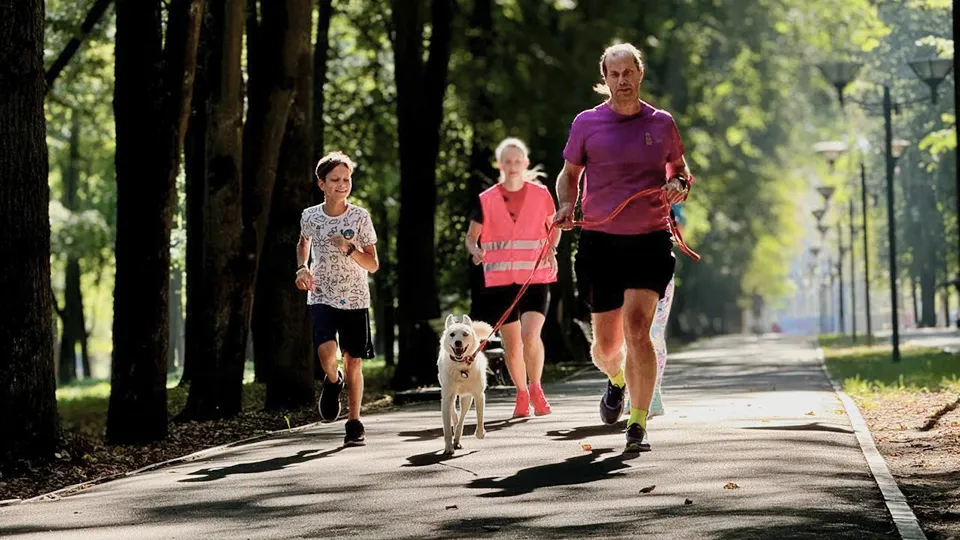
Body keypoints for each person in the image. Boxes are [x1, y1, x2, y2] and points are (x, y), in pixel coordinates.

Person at [554, 43, 694, 452]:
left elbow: (681, 171)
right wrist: (565, 204)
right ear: (605, 78)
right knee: (606, 346)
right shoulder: (587, 123)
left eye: (628, 72)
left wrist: (679, 186)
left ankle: (638, 421)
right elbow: (569, 174)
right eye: (614, 74)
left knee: (638, 329)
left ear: (639, 73)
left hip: (649, 239)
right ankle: (615, 379)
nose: (622, 81)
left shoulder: (662, 123)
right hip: (600, 242)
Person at [465, 137, 561, 418]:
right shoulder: (486, 199)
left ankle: (536, 388)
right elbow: (471, 237)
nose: (513, 166)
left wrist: (551, 248)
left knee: (531, 336)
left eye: (517, 161)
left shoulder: (541, 194)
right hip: (500, 280)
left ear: (525, 164)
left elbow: (555, 226)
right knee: (512, 343)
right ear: (500, 165)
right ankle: (521, 394)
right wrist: (476, 251)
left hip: (536, 275)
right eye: (507, 161)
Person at [295, 151, 379, 447]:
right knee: (326, 354)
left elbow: (373, 264)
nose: (343, 184)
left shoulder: (360, 217)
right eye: (335, 180)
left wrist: (349, 249)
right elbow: (303, 242)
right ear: (321, 184)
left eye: (347, 179)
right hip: (322, 294)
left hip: (355, 297)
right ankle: (333, 380)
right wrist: (302, 267)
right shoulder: (310, 216)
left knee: (353, 361)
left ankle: (354, 422)